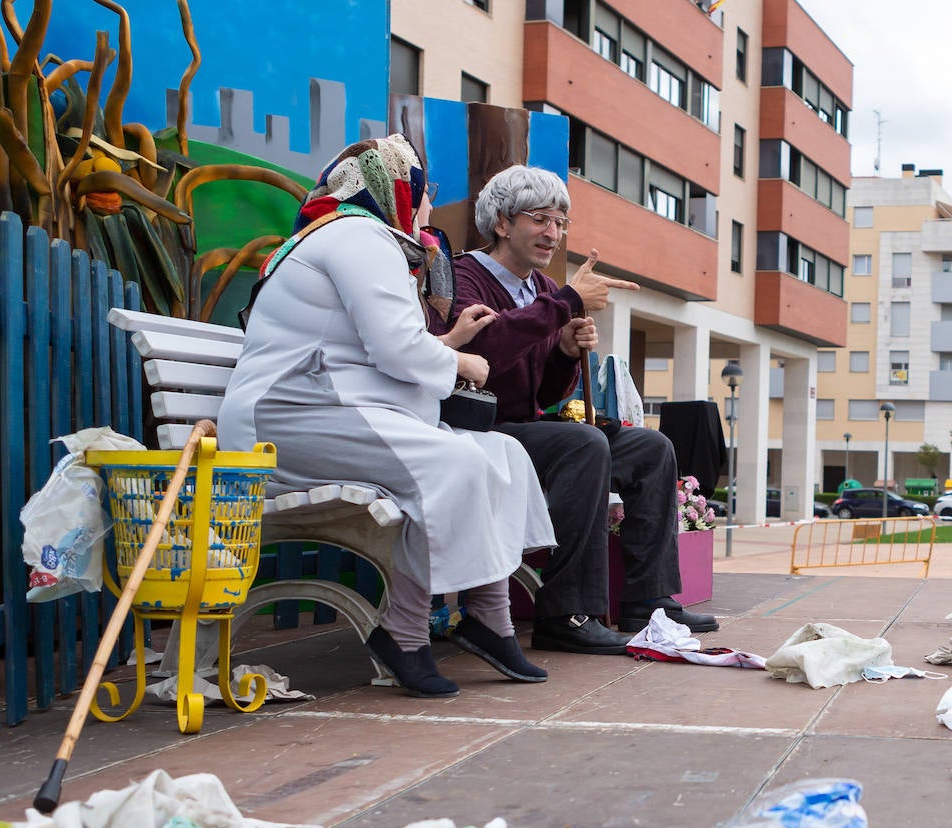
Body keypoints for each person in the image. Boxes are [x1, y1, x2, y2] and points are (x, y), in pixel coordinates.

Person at [217, 136, 556, 697]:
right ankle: (404, 632)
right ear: (396, 189)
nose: (427, 204)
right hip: (289, 419)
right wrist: (462, 360)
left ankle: (489, 620)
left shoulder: (361, 238)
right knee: (453, 463)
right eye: (423, 190)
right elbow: (397, 348)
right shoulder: (359, 236)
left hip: (329, 408)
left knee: (505, 453)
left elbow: (374, 349)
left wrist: (444, 352)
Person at [451, 164, 719, 653]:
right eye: (540, 219)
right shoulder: (463, 275)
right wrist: (566, 303)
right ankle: (566, 612)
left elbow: (548, 387)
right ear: (502, 223)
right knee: (583, 442)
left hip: (531, 430)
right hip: (482, 430)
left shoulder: (545, 291)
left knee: (651, 447)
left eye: (560, 222)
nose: (552, 233)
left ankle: (648, 600)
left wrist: (565, 353)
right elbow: (483, 353)